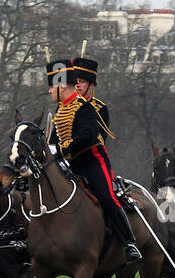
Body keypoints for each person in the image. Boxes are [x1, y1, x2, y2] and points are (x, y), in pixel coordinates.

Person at [48, 56, 142, 263]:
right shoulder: (61, 109)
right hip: (69, 163)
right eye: (76, 79)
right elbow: (54, 138)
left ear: (91, 84)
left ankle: (129, 243)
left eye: (82, 80)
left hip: (91, 161)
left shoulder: (95, 108)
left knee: (106, 196)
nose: (79, 84)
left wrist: (64, 148)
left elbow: (94, 137)